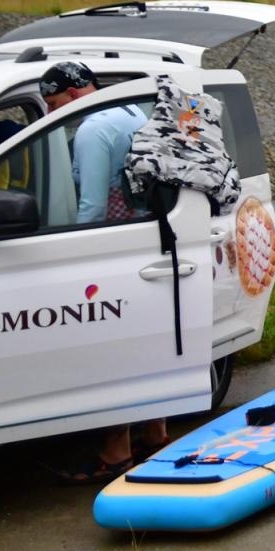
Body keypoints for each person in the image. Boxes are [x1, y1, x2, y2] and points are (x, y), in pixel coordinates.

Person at [37, 62, 171, 482]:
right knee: (147, 349)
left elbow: (92, 207)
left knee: (115, 354)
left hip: (111, 252)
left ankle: (116, 453)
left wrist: (67, 254)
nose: (51, 114)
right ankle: (156, 434)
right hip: (147, 238)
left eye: (54, 104)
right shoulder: (131, 111)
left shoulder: (94, 129)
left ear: (75, 94)